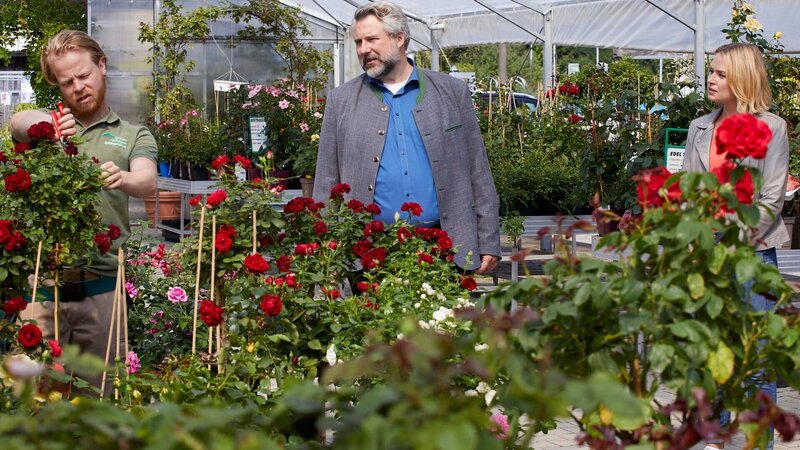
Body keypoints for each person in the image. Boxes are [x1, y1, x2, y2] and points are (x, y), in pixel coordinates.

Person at [11, 30, 157, 388]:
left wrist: (122, 177)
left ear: (102, 66)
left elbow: (147, 181)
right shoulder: (53, 128)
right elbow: (17, 124)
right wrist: (47, 128)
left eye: (84, 75)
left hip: (102, 291)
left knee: (100, 402)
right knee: (30, 399)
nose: (78, 86)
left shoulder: (134, 134)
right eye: (67, 81)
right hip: (43, 292)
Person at [313, 1, 500, 274]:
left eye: (372, 39)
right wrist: (325, 249)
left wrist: (489, 240)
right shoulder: (341, 101)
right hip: (367, 255)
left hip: (444, 248)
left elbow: (478, 170)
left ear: (399, 38)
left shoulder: (451, 93)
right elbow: (326, 181)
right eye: (358, 42)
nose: (364, 49)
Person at [683, 42, 789, 450]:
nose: (711, 79)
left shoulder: (772, 128)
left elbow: (771, 201)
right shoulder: (699, 128)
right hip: (704, 256)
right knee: (711, 355)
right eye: (711, 71)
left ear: (743, 77)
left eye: (721, 73)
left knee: (755, 359)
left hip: (753, 255)